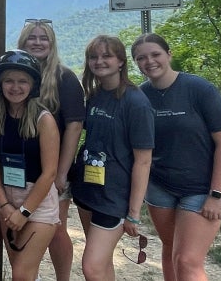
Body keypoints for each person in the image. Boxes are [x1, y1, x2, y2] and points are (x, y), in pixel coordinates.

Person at [131, 33, 221, 281]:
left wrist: (217, 194)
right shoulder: (141, 96)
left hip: (199, 189)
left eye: (155, 54)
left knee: (187, 261)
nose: (149, 61)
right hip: (160, 188)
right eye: (141, 58)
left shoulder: (199, 89)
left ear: (168, 54)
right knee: (170, 249)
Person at [71, 35, 154, 281]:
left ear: (120, 61)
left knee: (91, 267)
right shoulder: (95, 96)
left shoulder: (136, 102)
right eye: (94, 57)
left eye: (107, 56)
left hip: (114, 197)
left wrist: (133, 212)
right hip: (88, 191)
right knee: (103, 263)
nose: (99, 61)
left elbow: (143, 161)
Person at [17, 19, 85, 281]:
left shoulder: (64, 77)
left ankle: (63, 278)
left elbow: (75, 126)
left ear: (52, 43)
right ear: (22, 43)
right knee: (23, 227)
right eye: (31, 38)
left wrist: (61, 173)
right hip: (20, 170)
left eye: (43, 38)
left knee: (56, 229)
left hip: (54, 170)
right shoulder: (15, 73)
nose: (37, 42)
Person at [0, 50, 60, 281]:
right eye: (9, 80)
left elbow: (50, 173)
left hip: (39, 201)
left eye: (22, 81)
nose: (15, 87)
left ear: (33, 85)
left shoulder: (43, 120)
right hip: (7, 196)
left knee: (21, 274)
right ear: (0, 83)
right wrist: (5, 205)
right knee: (21, 267)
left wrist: (24, 211)